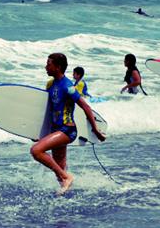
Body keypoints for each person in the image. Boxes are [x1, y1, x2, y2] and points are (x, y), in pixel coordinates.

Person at [30, 53, 106, 195]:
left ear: (58, 67)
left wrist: (95, 131)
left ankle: (67, 177)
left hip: (67, 130)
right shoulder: (51, 84)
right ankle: (67, 192)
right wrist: (40, 132)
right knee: (59, 168)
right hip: (55, 130)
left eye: (49, 64)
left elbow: (86, 107)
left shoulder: (68, 86)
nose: (46, 66)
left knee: (36, 151)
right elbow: (48, 111)